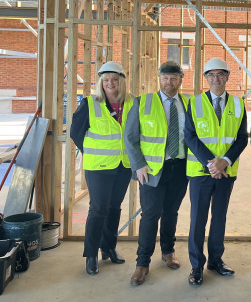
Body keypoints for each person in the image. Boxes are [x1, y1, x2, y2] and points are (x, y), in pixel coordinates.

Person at [125, 60, 190, 286]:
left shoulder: (189, 103)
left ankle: (168, 251)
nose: (168, 82)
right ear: (159, 79)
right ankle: (142, 263)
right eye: (165, 78)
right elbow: (130, 137)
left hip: (180, 168)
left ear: (180, 80)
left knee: (171, 212)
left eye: (173, 78)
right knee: (150, 215)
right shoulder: (143, 102)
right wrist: (138, 165)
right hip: (152, 170)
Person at [185, 57, 248, 286]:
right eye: (211, 75)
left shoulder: (238, 104)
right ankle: (196, 266)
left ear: (227, 77)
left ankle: (215, 261)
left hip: (226, 172)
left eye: (220, 74)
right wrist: (211, 164)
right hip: (201, 172)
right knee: (198, 219)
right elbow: (190, 136)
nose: (216, 79)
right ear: (205, 78)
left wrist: (225, 162)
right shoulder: (195, 103)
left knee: (219, 217)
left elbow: (242, 138)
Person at [71, 61, 133, 275]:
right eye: (106, 80)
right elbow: (76, 132)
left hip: (123, 165)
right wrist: (91, 151)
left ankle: (108, 248)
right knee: (98, 208)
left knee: (114, 207)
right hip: (98, 167)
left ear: (121, 81)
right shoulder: (90, 103)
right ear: (101, 82)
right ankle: (91, 255)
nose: (110, 83)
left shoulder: (132, 103)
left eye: (114, 79)